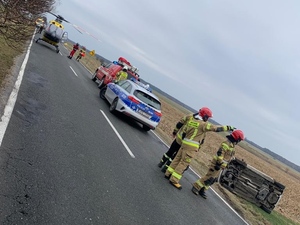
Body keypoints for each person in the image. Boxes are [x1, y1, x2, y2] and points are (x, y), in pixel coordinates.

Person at [164, 107, 235, 190]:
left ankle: (168, 173)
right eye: (208, 117)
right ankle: (174, 180)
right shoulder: (203, 124)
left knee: (176, 159)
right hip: (191, 148)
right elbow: (216, 128)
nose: (208, 119)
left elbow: (184, 132)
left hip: (183, 144)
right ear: (204, 116)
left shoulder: (191, 121)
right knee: (183, 163)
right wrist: (228, 127)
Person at [191, 129, 245, 198]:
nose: (239, 141)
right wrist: (219, 163)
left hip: (221, 166)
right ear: (236, 138)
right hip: (216, 164)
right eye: (239, 139)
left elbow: (228, 157)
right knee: (208, 177)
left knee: (212, 180)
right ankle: (196, 187)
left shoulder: (232, 146)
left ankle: (202, 190)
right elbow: (220, 153)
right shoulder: (226, 143)